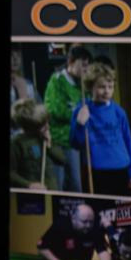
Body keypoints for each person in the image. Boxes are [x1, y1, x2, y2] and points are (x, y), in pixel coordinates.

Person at [70, 64, 131, 197]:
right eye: (101, 87)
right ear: (90, 87)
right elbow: (75, 143)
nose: (107, 91)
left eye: (110, 87)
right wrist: (80, 124)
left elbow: (128, 141)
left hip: (121, 168)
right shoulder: (82, 109)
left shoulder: (118, 111)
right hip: (96, 171)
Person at [43, 46, 92, 192]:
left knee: (76, 184)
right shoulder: (57, 80)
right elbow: (53, 110)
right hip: (59, 140)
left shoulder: (82, 83)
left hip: (76, 140)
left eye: (87, 65)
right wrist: (77, 115)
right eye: (83, 65)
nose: (86, 69)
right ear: (70, 61)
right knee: (61, 184)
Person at [37, 204, 122, 260]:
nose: (88, 225)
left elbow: (102, 250)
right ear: (74, 218)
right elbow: (41, 247)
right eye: (84, 222)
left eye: (91, 222)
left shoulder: (94, 227)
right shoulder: (61, 225)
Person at [9, 99, 65, 190]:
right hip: (30, 194)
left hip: (51, 191)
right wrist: (28, 185)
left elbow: (62, 160)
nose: (48, 127)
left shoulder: (44, 138)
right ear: (32, 126)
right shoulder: (16, 143)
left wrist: (49, 146)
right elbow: (11, 173)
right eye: (43, 125)